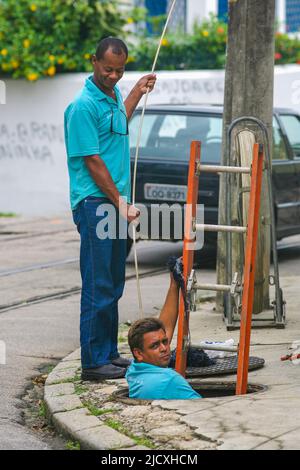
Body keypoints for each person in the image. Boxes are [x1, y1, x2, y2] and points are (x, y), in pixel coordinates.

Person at [64, 37, 156, 381]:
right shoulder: (82, 107)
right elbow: (92, 160)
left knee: (114, 282)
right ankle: (92, 363)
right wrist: (120, 202)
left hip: (115, 205)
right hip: (95, 203)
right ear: (93, 61)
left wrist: (135, 92)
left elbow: (119, 122)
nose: (114, 76)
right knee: (98, 283)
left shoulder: (113, 95)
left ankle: (107, 353)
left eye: (120, 70)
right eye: (108, 69)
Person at [126, 272, 202, 400]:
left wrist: (174, 285)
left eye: (165, 342)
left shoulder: (133, 371)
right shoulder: (170, 379)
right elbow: (204, 409)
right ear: (138, 353)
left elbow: (165, 327)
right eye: (155, 346)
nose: (164, 348)